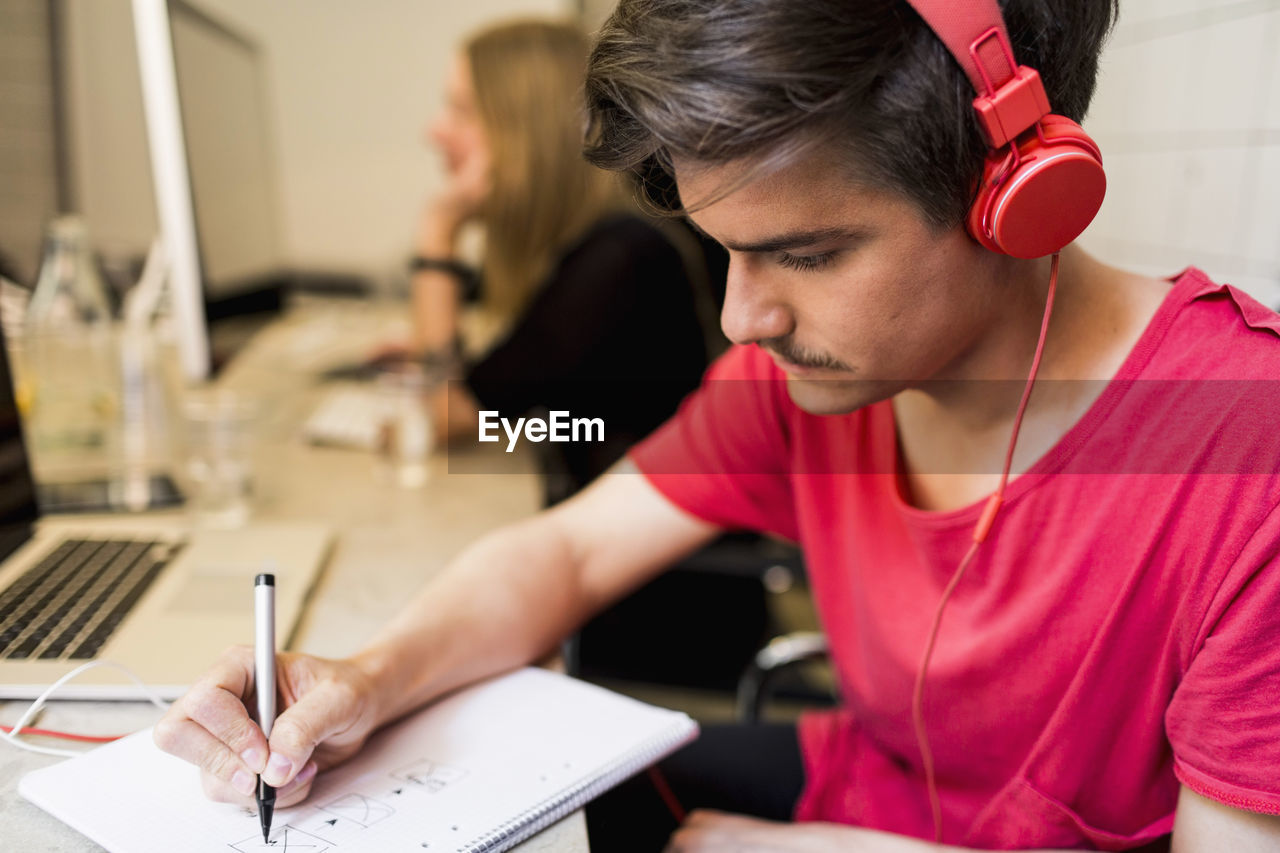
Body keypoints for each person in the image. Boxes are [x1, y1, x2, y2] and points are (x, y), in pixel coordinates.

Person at [154, 1, 1280, 851]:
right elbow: (570, 546)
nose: (745, 317)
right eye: (726, 250)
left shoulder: (1248, 453)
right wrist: (365, 677)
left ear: (1016, 195)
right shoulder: (803, 381)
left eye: (807, 254)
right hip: (866, 783)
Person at [401, 18, 713, 500]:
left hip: (658, 564)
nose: (435, 130)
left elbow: (447, 415)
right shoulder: (585, 244)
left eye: (463, 111)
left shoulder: (616, 261)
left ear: (528, 130)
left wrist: (438, 232)